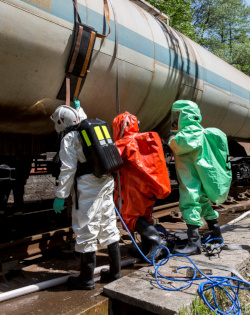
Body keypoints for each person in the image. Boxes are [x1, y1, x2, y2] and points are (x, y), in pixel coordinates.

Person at [50, 101, 121, 290]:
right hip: (106, 180)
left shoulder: (69, 137)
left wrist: (61, 195)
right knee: (108, 224)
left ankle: (86, 278)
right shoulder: (87, 127)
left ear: (60, 122)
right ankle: (115, 271)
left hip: (88, 186)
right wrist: (79, 107)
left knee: (85, 228)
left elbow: (68, 169)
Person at [165, 100, 232, 256]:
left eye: (178, 115)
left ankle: (194, 244)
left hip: (191, 177)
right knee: (203, 203)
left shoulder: (190, 132)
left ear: (184, 115)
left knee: (190, 202)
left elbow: (178, 145)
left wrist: (169, 138)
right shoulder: (198, 130)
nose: (175, 119)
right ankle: (216, 235)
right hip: (198, 174)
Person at [112, 112, 171, 261]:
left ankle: (158, 244)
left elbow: (111, 159)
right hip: (146, 187)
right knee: (144, 216)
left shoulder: (126, 142)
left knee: (131, 217)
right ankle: (147, 248)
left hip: (133, 187)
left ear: (120, 126)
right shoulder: (144, 139)